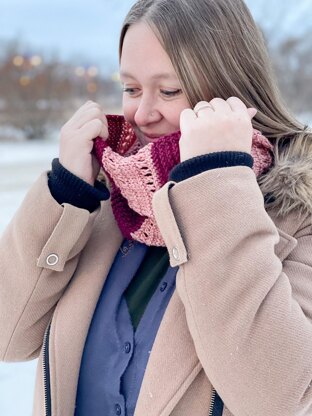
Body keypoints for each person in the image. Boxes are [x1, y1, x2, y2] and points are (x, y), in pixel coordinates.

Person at [1, 0, 312, 415]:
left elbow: (275, 400)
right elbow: (9, 334)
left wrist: (216, 182)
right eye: (130, 88)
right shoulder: (110, 196)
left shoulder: (297, 212)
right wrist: (66, 194)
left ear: (231, 90)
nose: (142, 114)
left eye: (168, 91)